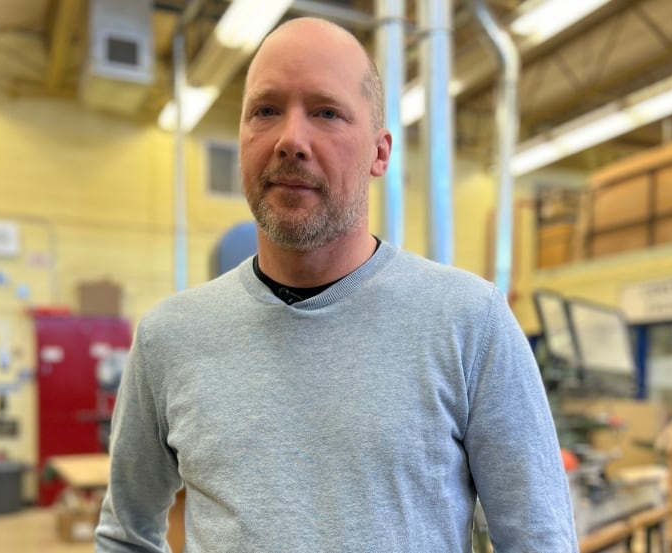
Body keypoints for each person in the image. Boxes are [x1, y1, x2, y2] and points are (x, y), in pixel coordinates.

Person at [95, 16, 577, 553]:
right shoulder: (170, 337)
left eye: (326, 112)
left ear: (380, 152)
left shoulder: (470, 322)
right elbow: (126, 534)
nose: (291, 139)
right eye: (266, 111)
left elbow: (540, 541)